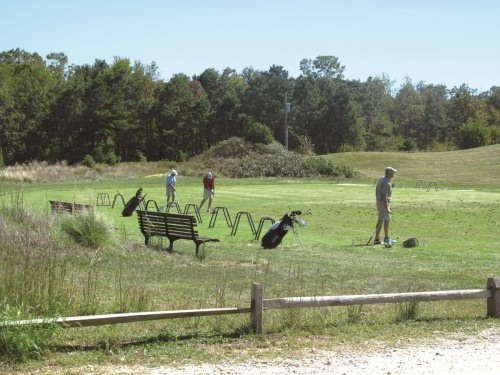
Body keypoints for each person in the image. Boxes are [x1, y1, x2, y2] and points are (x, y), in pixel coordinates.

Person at [374, 167, 396, 245]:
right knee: (381, 220)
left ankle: (387, 238)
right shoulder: (386, 182)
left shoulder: (382, 179)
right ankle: (376, 239)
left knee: (387, 220)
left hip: (383, 202)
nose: (394, 174)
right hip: (383, 203)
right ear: (388, 173)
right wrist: (387, 208)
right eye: (393, 172)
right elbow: (384, 196)